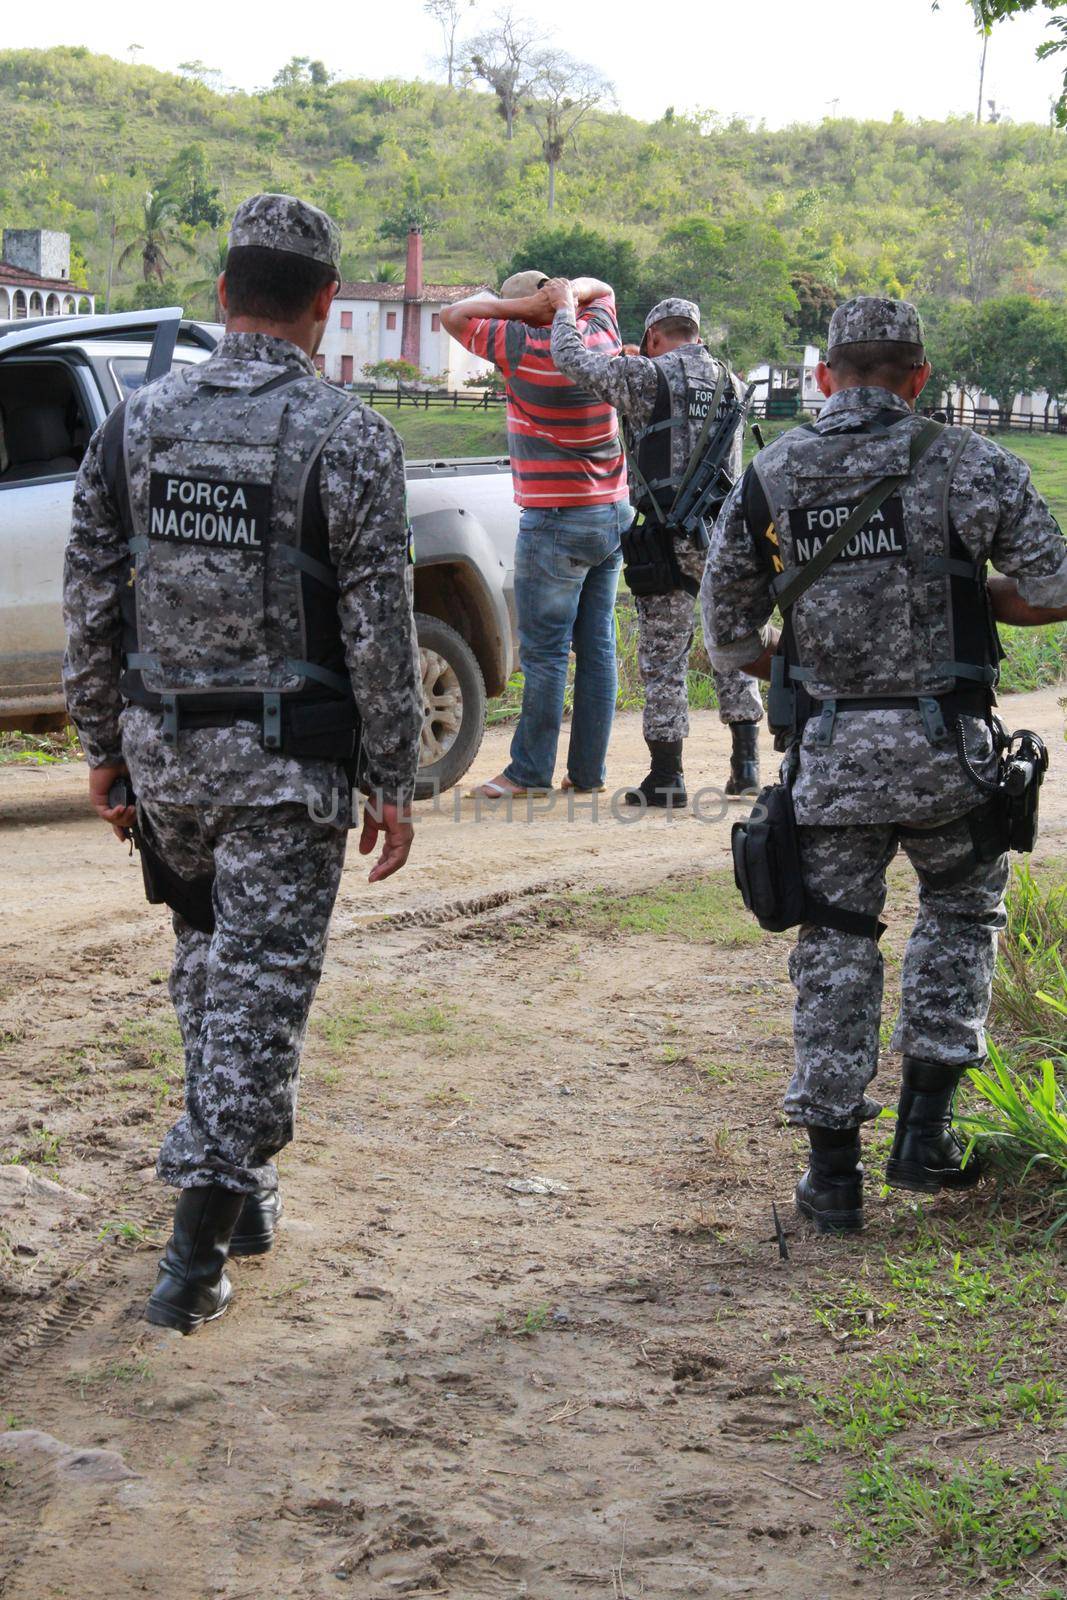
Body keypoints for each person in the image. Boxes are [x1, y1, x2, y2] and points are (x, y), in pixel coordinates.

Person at [63, 193, 422, 1330]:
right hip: (282, 770)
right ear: (323, 307)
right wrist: (395, 774)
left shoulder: (131, 425)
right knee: (259, 992)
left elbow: (91, 599)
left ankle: (247, 1193)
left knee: (214, 971)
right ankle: (192, 1258)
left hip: (168, 761)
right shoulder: (349, 436)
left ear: (223, 296)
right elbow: (381, 628)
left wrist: (101, 742)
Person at [701, 294, 1067, 1234]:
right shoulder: (967, 461)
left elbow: (724, 632)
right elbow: (1053, 584)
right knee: (956, 914)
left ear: (826, 376)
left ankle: (830, 1178)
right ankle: (924, 1139)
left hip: (827, 761)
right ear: (918, 377)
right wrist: (974, 595)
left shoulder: (772, 472)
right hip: (948, 756)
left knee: (833, 944)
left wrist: (804, 665)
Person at [549, 288, 763, 807]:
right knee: (733, 646)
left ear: (653, 337)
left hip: (668, 538)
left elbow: (569, 358)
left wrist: (562, 309)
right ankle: (747, 767)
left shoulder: (646, 375)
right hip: (725, 538)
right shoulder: (731, 383)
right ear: (696, 333)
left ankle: (667, 777)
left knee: (665, 657)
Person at [441, 271, 631, 797]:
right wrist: (565, 298)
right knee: (597, 645)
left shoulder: (518, 346)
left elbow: (453, 314)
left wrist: (525, 309)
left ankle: (529, 771)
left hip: (555, 518)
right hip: (612, 512)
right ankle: (588, 772)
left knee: (546, 653)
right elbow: (604, 289)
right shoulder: (599, 336)